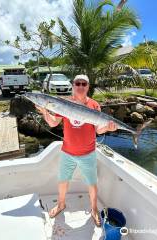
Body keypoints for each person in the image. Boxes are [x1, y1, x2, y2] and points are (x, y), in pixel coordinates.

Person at [35, 74, 117, 226]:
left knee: (92, 183)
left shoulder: (94, 105)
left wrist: (108, 127)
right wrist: (45, 112)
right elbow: (53, 123)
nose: (80, 86)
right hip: (67, 152)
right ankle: (61, 204)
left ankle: (93, 209)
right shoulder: (63, 103)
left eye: (83, 84)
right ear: (73, 85)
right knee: (63, 181)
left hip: (88, 153)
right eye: (77, 83)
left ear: (88, 87)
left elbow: (99, 131)